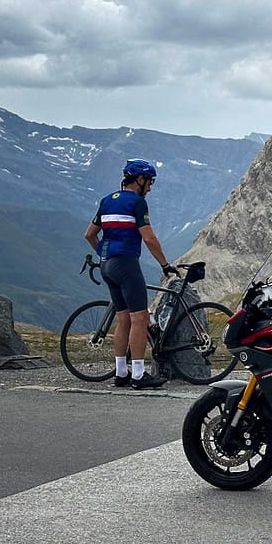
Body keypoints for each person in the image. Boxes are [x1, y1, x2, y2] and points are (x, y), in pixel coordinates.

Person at [83, 159, 180, 390]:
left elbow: (89, 234)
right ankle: (138, 375)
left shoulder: (107, 201)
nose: (150, 187)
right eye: (149, 182)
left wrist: (105, 253)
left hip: (107, 265)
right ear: (139, 179)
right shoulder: (137, 203)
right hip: (126, 264)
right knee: (140, 319)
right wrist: (165, 265)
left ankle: (121, 373)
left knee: (123, 318)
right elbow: (149, 238)